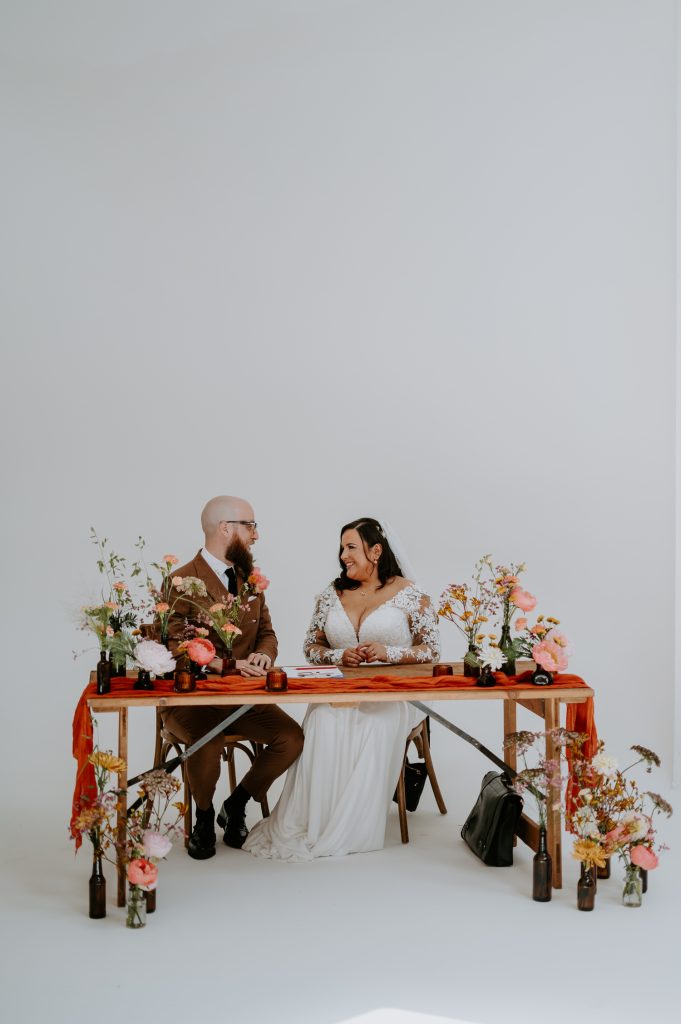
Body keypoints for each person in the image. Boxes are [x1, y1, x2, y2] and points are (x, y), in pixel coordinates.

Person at [243, 517, 440, 861]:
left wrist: (388, 652)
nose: (343, 555)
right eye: (342, 547)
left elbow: (431, 650)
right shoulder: (330, 594)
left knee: (374, 726)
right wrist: (338, 655)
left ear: (376, 551)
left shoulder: (411, 595)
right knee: (321, 722)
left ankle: (351, 825)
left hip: (391, 694)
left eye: (351, 547)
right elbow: (311, 646)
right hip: (340, 692)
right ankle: (315, 821)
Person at [163, 495, 303, 860]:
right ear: (226, 529)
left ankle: (236, 803)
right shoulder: (180, 580)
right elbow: (177, 642)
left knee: (291, 737)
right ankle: (205, 818)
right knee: (207, 741)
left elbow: (268, 633)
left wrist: (264, 654)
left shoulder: (250, 579)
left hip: (244, 698)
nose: (256, 535)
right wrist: (226, 666)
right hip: (192, 698)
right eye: (250, 525)